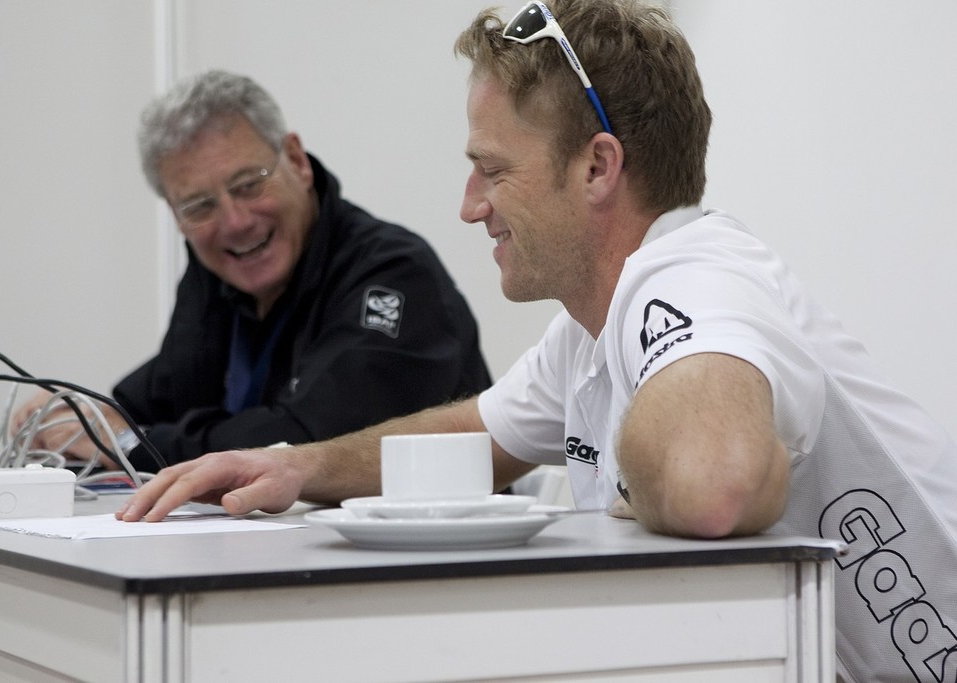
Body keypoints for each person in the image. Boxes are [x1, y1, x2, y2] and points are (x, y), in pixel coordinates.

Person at [117, 2, 957, 681]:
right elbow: (481, 433)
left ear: (597, 167)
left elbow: (711, 487)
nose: (470, 205)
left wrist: (648, 481)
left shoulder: (695, 274)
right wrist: (294, 466)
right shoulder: (588, 331)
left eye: (493, 169)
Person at [13, 70, 492, 472]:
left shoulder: (392, 274)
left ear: (298, 162)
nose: (235, 223)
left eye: (248, 185)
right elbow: (155, 401)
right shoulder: (216, 276)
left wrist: (127, 443)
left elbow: (306, 444)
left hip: (428, 567)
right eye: (199, 205)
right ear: (175, 215)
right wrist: (76, 417)